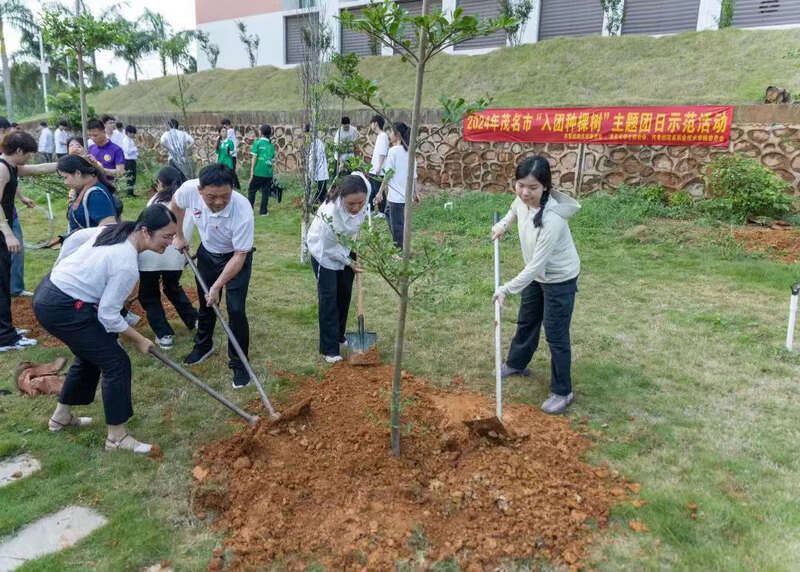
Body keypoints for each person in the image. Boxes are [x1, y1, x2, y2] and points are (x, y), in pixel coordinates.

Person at [33, 204, 178, 454]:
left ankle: (61, 417)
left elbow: (76, 238)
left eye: (173, 236)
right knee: (116, 362)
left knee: (91, 356)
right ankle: (117, 438)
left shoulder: (115, 231)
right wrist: (139, 340)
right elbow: (109, 316)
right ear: (145, 231)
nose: (170, 242)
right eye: (166, 236)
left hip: (51, 293)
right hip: (62, 306)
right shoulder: (126, 264)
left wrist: (63, 268)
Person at [491, 156, 581, 415]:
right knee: (527, 320)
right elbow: (513, 211)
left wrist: (505, 288)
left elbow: (535, 267)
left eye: (532, 187)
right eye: (520, 185)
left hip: (559, 279)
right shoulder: (522, 201)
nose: (525, 192)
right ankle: (517, 363)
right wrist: (502, 226)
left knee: (556, 334)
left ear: (545, 187)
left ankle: (563, 391)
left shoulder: (553, 219)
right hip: (537, 277)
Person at [169, 164, 255, 388]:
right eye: (211, 197)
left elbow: (239, 256)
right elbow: (175, 206)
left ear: (232, 189)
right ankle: (203, 345)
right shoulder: (188, 190)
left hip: (236, 259)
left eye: (225, 196)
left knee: (235, 310)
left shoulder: (242, 209)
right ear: (200, 190)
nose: (218, 202)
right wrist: (178, 235)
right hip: (208, 254)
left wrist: (217, 286)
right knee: (205, 304)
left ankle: (239, 363)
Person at [0, 131, 57, 352]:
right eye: (29, 154)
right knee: (1, 283)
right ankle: (5, 339)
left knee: (3, 282)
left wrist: (66, 163)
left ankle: (6, 331)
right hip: (0, 232)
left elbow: (37, 170)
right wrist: (8, 233)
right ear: (19, 151)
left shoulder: (10, 166)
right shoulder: (2, 169)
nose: (29, 159)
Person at [307, 173, 369, 363]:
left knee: (344, 294)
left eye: (360, 203)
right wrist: (350, 262)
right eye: (351, 204)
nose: (357, 207)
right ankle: (330, 348)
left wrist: (354, 251)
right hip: (324, 252)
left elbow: (359, 176)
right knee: (329, 298)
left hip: (346, 247)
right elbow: (330, 248)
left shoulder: (362, 194)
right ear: (342, 198)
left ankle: (339, 336)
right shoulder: (329, 214)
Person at [138, 167, 198, 350]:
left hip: (151, 255)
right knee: (173, 288)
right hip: (176, 256)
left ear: (161, 183)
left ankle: (164, 334)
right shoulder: (189, 200)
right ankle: (194, 320)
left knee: (149, 294)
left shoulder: (155, 200)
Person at [377, 121, 418, 248]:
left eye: (390, 132)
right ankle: (401, 243)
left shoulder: (394, 151)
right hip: (406, 195)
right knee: (389, 214)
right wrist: (415, 193)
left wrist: (379, 191)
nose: (389, 135)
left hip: (396, 196)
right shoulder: (411, 152)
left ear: (397, 134)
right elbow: (414, 175)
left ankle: (400, 250)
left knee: (398, 224)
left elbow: (388, 173)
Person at [58, 155, 119, 232]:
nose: (65, 182)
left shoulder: (96, 194)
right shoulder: (84, 189)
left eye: (65, 178)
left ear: (78, 173)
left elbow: (108, 227)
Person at [248, 124, 276, 216]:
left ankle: (249, 210)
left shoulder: (257, 143)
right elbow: (273, 161)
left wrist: (252, 172)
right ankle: (263, 212)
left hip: (258, 171)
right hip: (268, 173)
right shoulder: (271, 145)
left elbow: (254, 158)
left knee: (252, 190)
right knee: (265, 192)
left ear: (261, 132)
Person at [367, 115, 389, 217]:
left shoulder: (383, 136)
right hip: (374, 168)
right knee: (372, 189)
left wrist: (379, 167)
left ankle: (382, 211)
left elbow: (382, 153)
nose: (371, 125)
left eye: (371, 123)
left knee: (378, 190)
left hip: (378, 169)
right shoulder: (380, 136)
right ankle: (370, 210)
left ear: (375, 123)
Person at [305, 124, 328, 205]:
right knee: (320, 197)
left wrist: (310, 174)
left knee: (318, 196)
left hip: (319, 176)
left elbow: (314, 161)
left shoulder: (316, 144)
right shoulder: (315, 142)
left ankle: (315, 212)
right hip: (319, 175)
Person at [122, 125, 138, 197]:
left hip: (132, 160)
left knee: (133, 177)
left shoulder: (130, 140)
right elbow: (127, 151)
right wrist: (136, 148)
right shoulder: (125, 140)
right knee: (130, 177)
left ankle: (131, 192)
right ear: (128, 133)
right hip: (128, 161)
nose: (133, 135)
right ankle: (129, 193)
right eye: (132, 133)